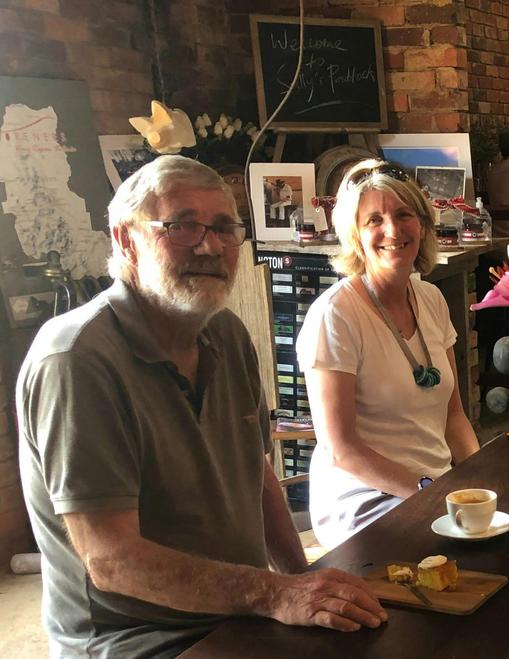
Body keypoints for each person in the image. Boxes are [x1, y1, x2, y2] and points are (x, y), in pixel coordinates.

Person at [16, 155, 386, 657]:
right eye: (183, 226)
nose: (211, 246)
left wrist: (304, 579)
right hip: (138, 640)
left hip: (238, 613)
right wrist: (273, 592)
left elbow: (256, 477)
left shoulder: (226, 333)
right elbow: (111, 560)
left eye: (223, 227)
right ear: (126, 239)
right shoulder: (77, 359)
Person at [297, 159, 480, 549]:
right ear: (356, 237)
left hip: (434, 488)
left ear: (423, 225)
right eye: (374, 220)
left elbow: (454, 415)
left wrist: (481, 481)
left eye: (403, 215)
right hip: (364, 500)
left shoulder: (430, 298)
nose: (392, 230)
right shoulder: (335, 314)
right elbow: (341, 450)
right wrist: (427, 491)